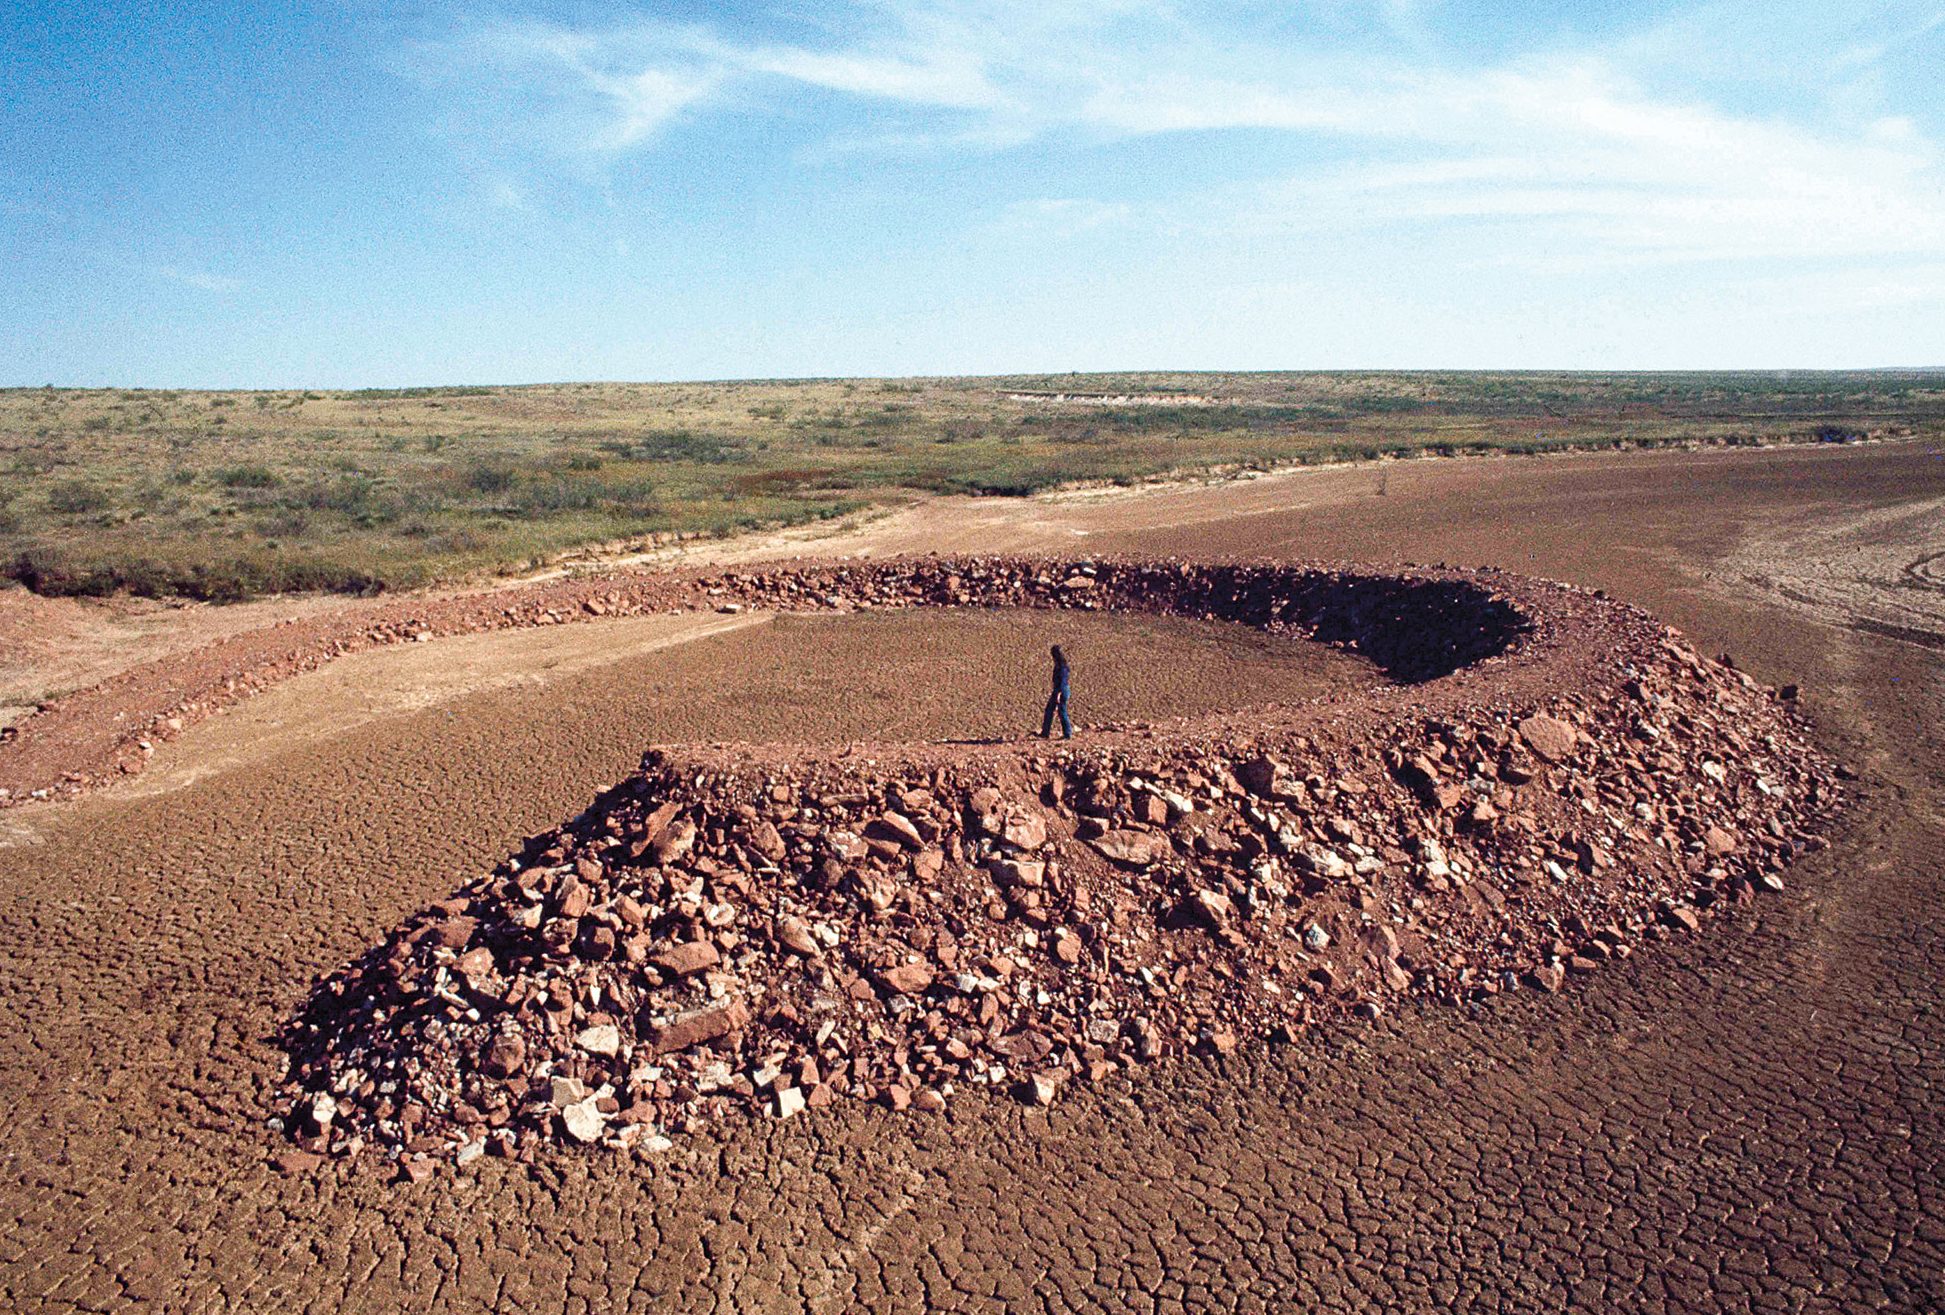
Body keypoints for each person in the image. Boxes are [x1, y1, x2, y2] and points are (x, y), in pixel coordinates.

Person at [1041, 644, 1072, 739]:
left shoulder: (1062, 667)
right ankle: (1045, 733)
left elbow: (1062, 681)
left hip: (1061, 691)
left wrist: (1058, 694)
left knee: (1062, 711)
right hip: (1059, 690)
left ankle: (1067, 734)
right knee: (1049, 710)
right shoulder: (1060, 665)